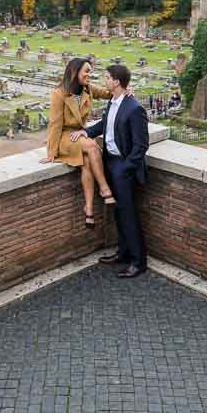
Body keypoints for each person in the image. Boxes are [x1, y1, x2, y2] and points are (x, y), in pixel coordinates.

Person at [76, 64, 150, 279]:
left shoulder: (135, 108)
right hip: (110, 162)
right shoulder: (113, 101)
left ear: (117, 82)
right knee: (118, 213)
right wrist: (86, 131)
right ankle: (123, 253)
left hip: (123, 167)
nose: (105, 80)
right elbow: (106, 124)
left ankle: (138, 262)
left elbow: (141, 146)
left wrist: (125, 169)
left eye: (107, 78)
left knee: (128, 215)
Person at [40, 58, 117, 229]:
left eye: (91, 71)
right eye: (87, 71)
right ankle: (105, 189)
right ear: (75, 72)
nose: (90, 75)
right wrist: (51, 152)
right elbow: (55, 124)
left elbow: (107, 93)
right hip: (65, 137)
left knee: (87, 162)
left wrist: (124, 91)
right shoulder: (59, 94)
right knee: (91, 145)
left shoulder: (87, 89)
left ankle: (88, 209)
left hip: (78, 135)